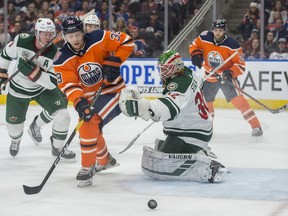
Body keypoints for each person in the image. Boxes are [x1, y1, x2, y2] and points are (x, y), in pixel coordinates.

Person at [119, 50, 227, 183]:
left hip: (190, 135)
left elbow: (170, 107)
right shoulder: (188, 72)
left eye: (167, 69)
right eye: (161, 69)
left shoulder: (178, 85)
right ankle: (199, 148)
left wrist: (143, 107)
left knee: (156, 164)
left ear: (176, 67)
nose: (162, 73)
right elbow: (200, 83)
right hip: (200, 127)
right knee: (163, 147)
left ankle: (204, 166)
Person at [53, 15, 134, 187]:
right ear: (64, 36)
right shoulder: (61, 59)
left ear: (82, 31)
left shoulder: (99, 37)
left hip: (114, 91)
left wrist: (116, 60)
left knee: (89, 124)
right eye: (70, 35)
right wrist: (79, 103)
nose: (74, 39)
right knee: (90, 123)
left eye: (77, 34)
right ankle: (104, 160)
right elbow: (69, 85)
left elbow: (127, 42)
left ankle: (87, 167)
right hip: (90, 98)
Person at [0, 18, 76, 161]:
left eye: (50, 33)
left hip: (42, 89)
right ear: (37, 33)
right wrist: (2, 74)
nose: (48, 37)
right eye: (44, 33)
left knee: (63, 115)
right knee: (13, 129)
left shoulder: (56, 54)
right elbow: (5, 54)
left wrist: (32, 72)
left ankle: (58, 147)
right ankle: (16, 140)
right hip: (18, 90)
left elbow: (52, 82)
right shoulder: (21, 41)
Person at [189, 18, 263, 136]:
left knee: (240, 102)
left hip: (226, 78)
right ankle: (207, 128)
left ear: (225, 31)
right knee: (206, 104)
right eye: (216, 30)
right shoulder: (204, 37)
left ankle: (256, 126)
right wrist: (195, 54)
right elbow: (194, 45)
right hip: (210, 77)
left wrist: (230, 72)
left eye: (220, 30)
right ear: (212, 30)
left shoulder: (233, 45)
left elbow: (241, 65)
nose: (218, 32)